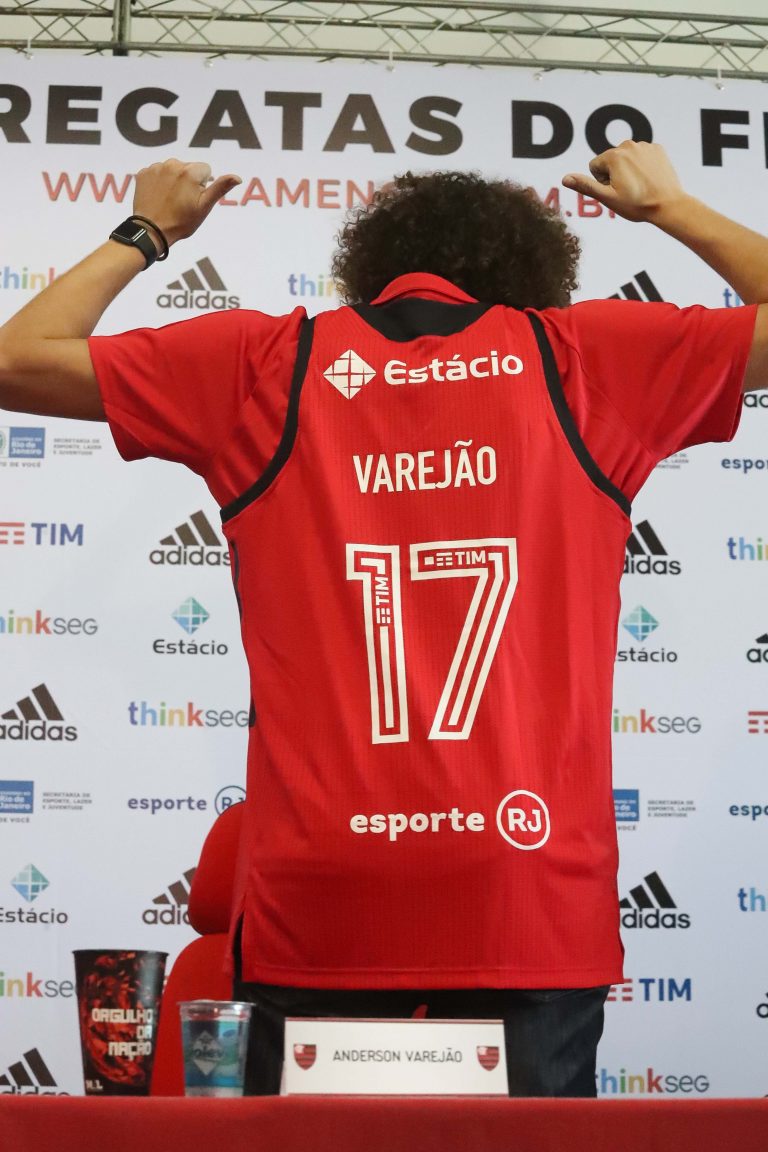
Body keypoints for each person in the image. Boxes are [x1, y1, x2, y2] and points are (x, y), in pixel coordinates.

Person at [0, 141, 765, 1098]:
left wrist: (148, 229)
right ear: (537, 272)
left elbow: (15, 360)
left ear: (368, 264)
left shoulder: (265, 364)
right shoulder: (588, 359)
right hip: (527, 897)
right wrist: (670, 210)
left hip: (321, 897)